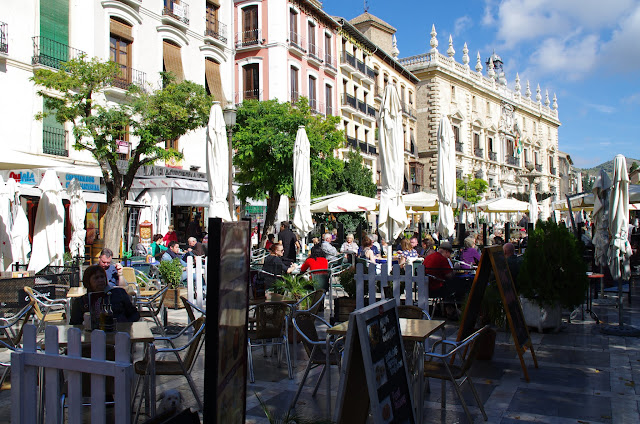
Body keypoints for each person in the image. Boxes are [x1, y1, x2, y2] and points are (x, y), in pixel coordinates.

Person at [70, 265, 140, 325]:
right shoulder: (81, 302)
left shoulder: (119, 293)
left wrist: (124, 325)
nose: (100, 280)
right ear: (88, 281)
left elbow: (135, 314)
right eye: (96, 278)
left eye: (102, 277)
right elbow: (75, 326)